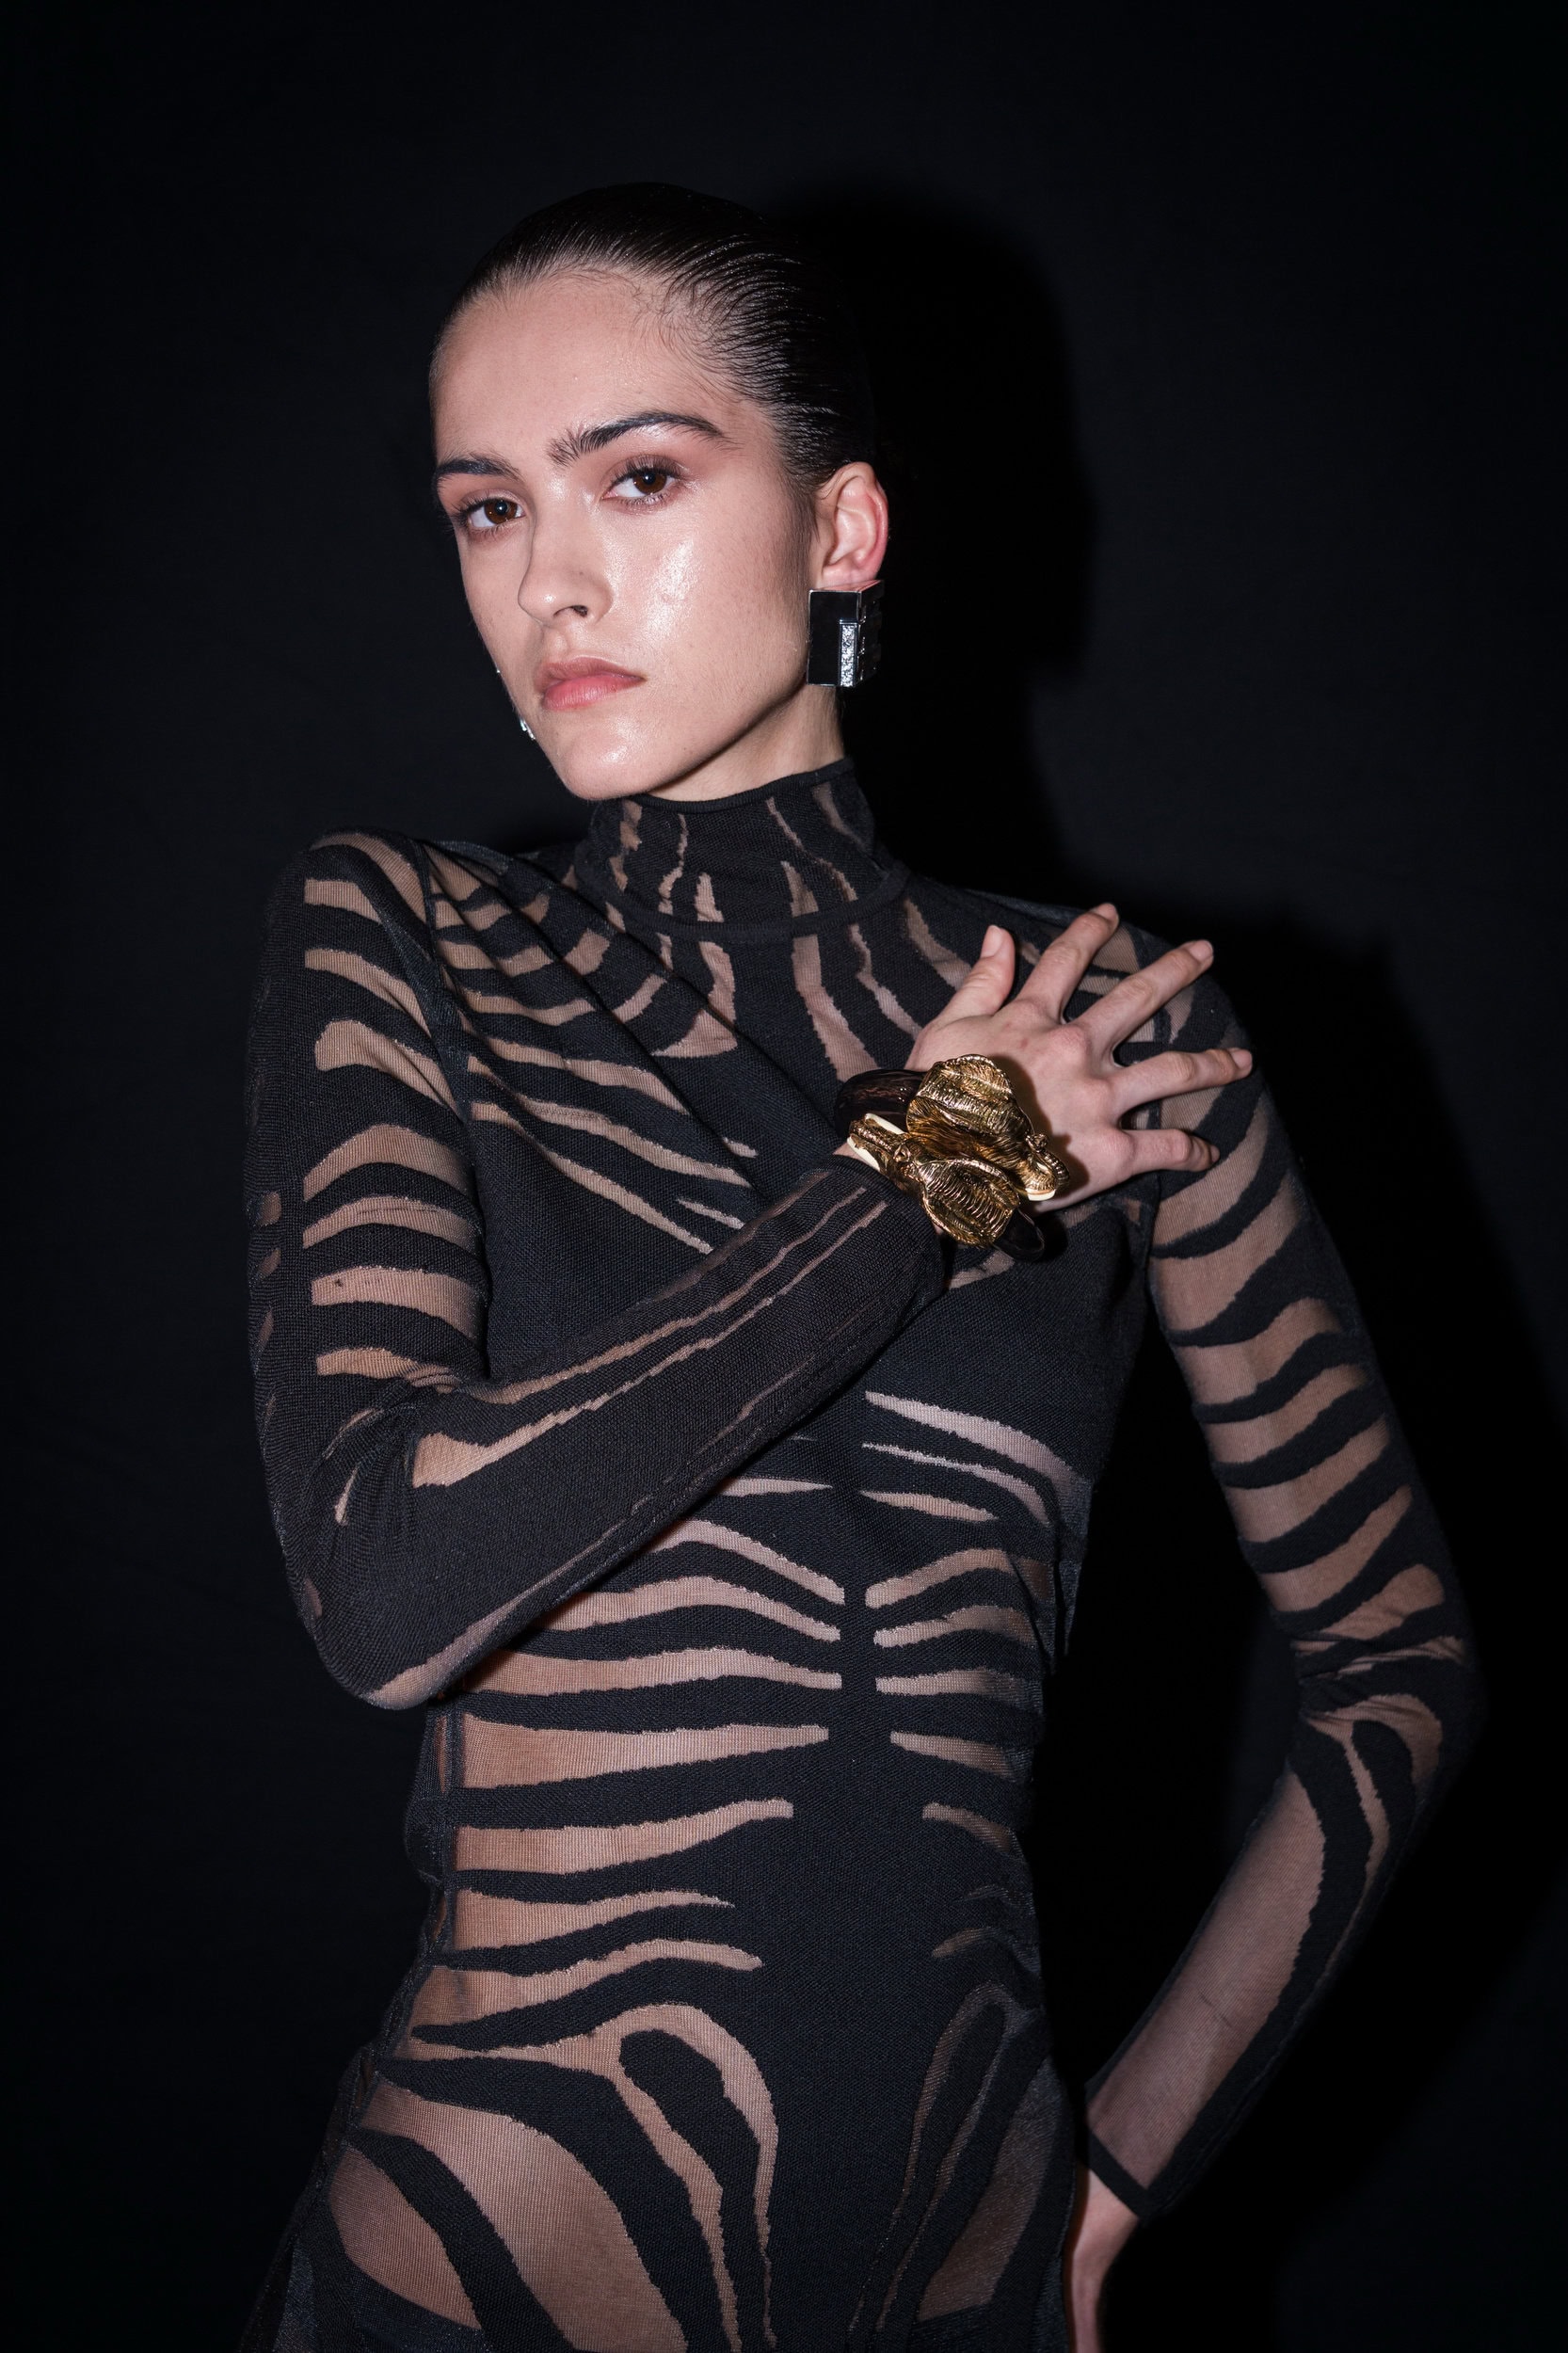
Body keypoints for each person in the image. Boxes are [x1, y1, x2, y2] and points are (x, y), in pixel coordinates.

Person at [240, 184, 1478, 2353]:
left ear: (842, 529)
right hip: (476, 2290)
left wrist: (1115, 2170)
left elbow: (1398, 1657)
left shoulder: (1112, 1033)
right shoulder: (414, 939)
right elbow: (384, 1584)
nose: (549, 579)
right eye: (485, 508)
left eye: (637, 477)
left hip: (959, 2292)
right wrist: (925, 1174)